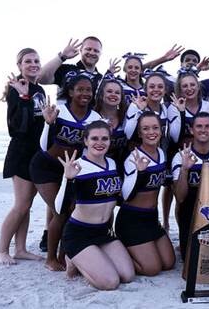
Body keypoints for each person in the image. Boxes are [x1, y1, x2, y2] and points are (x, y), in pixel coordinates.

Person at [30, 75, 102, 271]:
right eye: (80, 89)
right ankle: (51, 258)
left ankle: (65, 254)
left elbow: (89, 149)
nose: (85, 93)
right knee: (60, 211)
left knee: (72, 210)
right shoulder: (59, 110)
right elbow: (44, 146)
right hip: (46, 166)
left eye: (89, 90)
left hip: (69, 170)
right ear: (70, 92)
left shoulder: (95, 118)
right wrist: (47, 123)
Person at [57, 120, 135, 290]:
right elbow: (59, 208)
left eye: (104, 139)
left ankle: (90, 258)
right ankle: (73, 259)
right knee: (110, 283)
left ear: (110, 140)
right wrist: (68, 179)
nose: (100, 143)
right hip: (79, 234)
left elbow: (119, 197)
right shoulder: (78, 166)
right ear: (86, 141)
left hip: (103, 231)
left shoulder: (113, 164)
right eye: (94, 138)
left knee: (127, 276)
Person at [0, 48, 46, 265]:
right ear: (19, 66)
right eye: (28, 61)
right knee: (21, 204)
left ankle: (21, 249)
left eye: (36, 60)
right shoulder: (16, 87)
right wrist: (23, 95)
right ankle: (2, 250)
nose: (33, 64)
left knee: (27, 204)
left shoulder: (40, 89)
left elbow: (41, 123)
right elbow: (18, 127)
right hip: (21, 153)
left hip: (37, 153)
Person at [116, 112, 176, 275]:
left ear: (161, 130)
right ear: (140, 133)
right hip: (131, 220)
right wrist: (140, 174)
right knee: (151, 269)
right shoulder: (133, 158)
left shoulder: (161, 154)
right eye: (146, 129)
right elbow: (125, 195)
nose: (151, 132)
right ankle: (116, 256)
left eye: (155, 128)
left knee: (169, 263)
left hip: (151, 218)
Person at [172, 112, 209, 260]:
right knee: (190, 259)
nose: (203, 130)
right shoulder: (181, 156)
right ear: (191, 130)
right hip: (190, 215)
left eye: (207, 126)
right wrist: (185, 169)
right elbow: (180, 197)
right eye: (198, 126)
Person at [94, 79, 129, 172]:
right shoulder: (92, 117)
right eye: (109, 91)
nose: (113, 94)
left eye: (117, 93)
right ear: (101, 95)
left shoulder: (127, 117)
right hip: (96, 166)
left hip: (122, 167)